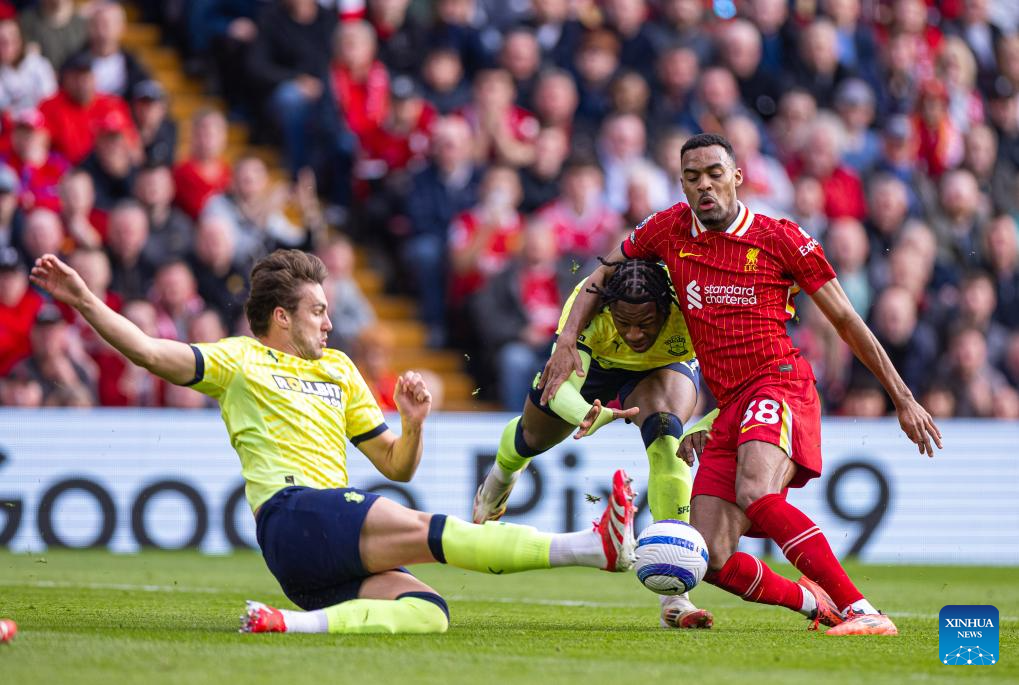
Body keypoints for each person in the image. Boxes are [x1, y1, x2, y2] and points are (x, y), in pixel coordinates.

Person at [29, 248, 638, 635]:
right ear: (282, 317)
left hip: (313, 555)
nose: (329, 321)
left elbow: (396, 466)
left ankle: (288, 624)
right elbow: (146, 350)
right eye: (317, 311)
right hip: (293, 513)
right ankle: (590, 548)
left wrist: (414, 423)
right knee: (437, 532)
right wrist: (83, 299)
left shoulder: (340, 370)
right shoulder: (239, 360)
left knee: (429, 612)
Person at [542, 133, 943, 637]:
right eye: (692, 177)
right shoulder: (667, 229)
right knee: (708, 557)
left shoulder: (781, 238)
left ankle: (862, 609)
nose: (704, 186)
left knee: (754, 491)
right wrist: (566, 340)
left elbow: (846, 319)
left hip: (779, 385)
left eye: (714, 174)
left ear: (737, 176)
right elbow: (602, 275)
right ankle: (814, 602)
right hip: (730, 405)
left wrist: (903, 398)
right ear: (682, 184)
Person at [474, 256, 712, 630]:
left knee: (667, 440)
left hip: (663, 367)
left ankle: (675, 595)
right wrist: (585, 413)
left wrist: (712, 420)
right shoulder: (588, 306)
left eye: (646, 323)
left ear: (667, 309)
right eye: (624, 323)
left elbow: (742, 371)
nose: (634, 334)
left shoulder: (692, 304)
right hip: (595, 362)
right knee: (532, 437)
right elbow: (559, 390)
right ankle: (501, 477)